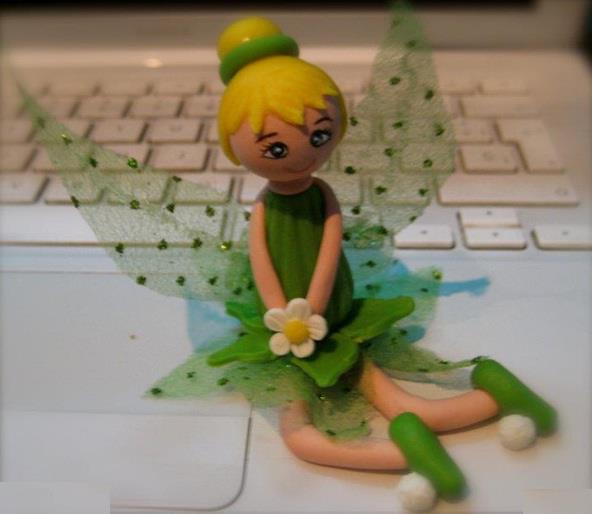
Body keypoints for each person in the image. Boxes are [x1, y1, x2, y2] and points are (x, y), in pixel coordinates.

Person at [216, 16, 557, 511]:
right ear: (235, 147)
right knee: (315, 427)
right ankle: (454, 424)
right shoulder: (266, 207)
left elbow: (330, 246)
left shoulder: (322, 194)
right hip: (287, 325)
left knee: (327, 421)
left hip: (322, 316)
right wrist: (282, 314)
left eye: (319, 136)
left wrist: (312, 306)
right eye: (276, 147)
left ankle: (478, 408)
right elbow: (261, 259)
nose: (301, 156)